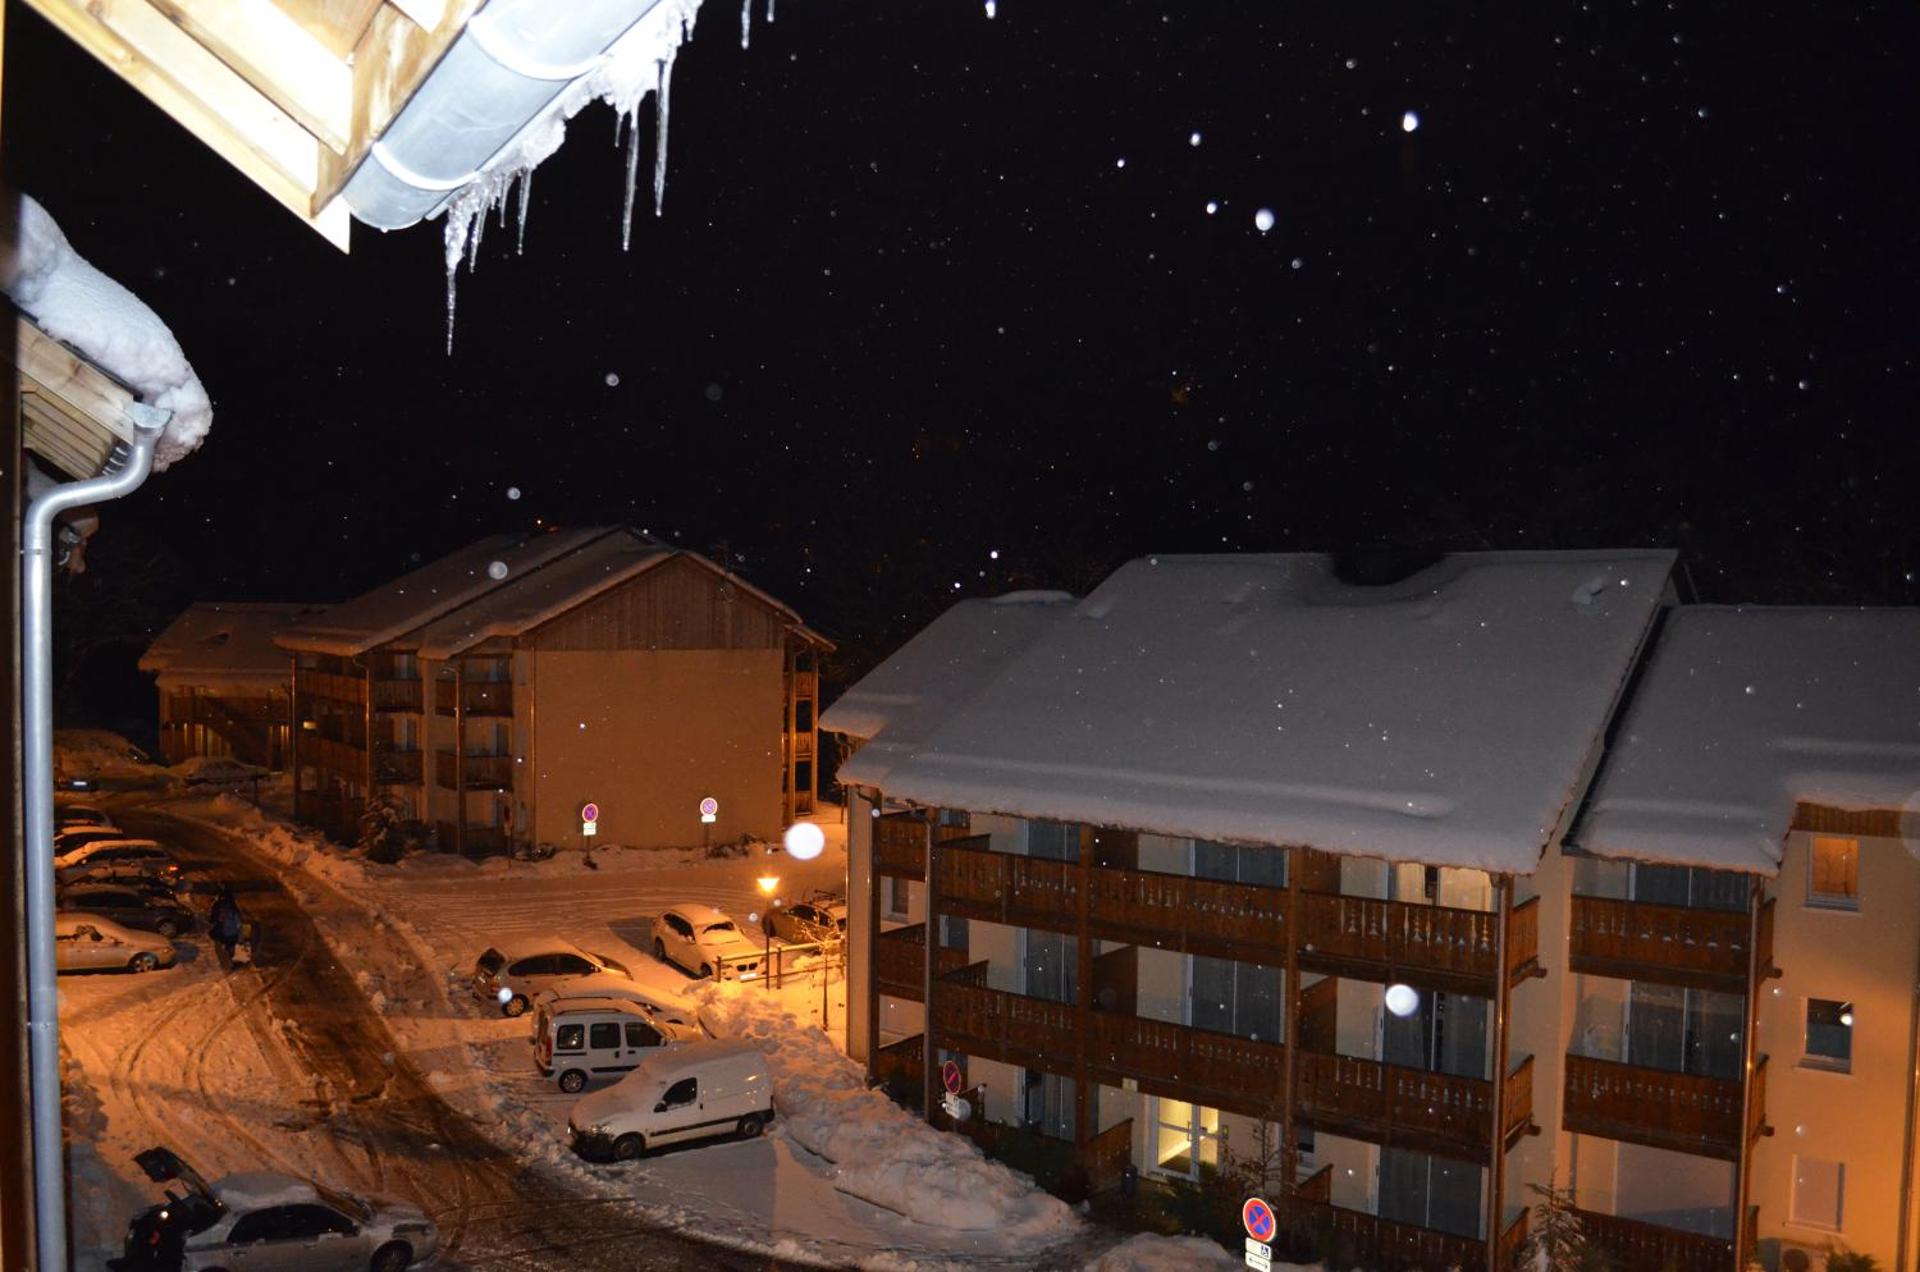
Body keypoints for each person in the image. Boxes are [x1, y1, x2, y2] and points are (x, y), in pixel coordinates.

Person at [209, 886, 242, 972]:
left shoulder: (219, 907)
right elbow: (237, 921)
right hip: (229, 932)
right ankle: (229, 962)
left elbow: (212, 918)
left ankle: (228, 962)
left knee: (225, 947)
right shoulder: (231, 909)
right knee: (228, 946)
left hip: (225, 932)